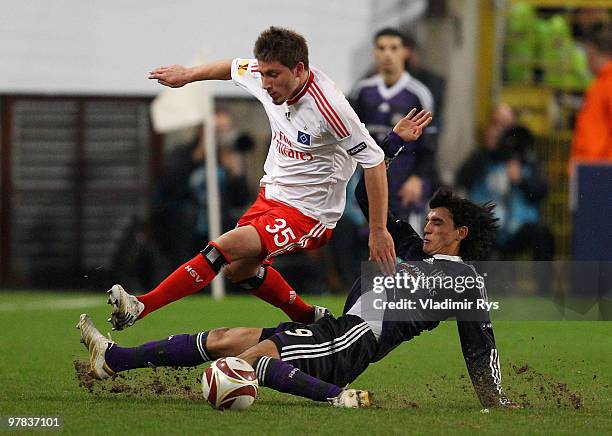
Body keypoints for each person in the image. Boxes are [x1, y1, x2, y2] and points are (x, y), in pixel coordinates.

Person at [77, 160, 517, 409]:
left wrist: (493, 399)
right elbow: (367, 193)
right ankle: (113, 359)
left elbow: (479, 342)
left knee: (251, 359)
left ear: (461, 234)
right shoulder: (409, 250)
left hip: (354, 342)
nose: (427, 227)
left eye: (438, 223)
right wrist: (395, 142)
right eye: (429, 220)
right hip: (339, 327)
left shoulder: (463, 281)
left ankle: (338, 397)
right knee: (223, 339)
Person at [106, 26, 400, 330]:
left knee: (222, 247)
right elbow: (232, 66)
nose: (265, 83)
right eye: (262, 74)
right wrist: (188, 74)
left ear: (299, 69)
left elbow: (375, 161)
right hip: (271, 197)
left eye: (274, 75)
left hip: (309, 214)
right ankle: (310, 319)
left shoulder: (331, 107)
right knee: (238, 270)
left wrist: (377, 229)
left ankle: (141, 306)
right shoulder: (264, 76)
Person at [351, 27, 436, 226]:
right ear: (375, 52)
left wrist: (418, 178)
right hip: (368, 182)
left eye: (393, 48)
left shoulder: (418, 94)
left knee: (405, 245)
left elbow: (430, 145)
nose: (387, 54)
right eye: (381, 48)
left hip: (403, 182)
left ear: (405, 51)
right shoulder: (362, 91)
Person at [457, 125, 554, 262]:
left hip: (519, 228)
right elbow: (462, 179)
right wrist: (487, 150)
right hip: (489, 226)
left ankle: (543, 283)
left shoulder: (531, 164)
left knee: (542, 233)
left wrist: (521, 181)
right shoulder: (484, 158)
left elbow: (541, 191)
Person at [570, 25, 612, 167]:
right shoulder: (600, 83)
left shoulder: (607, 83)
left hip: (600, 170)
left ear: (593, 50)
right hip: (592, 168)